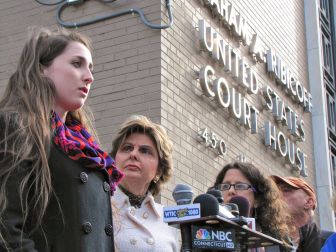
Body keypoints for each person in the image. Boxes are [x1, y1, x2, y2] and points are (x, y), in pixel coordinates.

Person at [0, 27, 123, 251]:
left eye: (91, 68)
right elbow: (7, 227)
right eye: (77, 64)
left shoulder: (85, 147)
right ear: (42, 69)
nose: (89, 77)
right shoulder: (16, 126)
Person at [110, 115, 178, 252]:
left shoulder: (169, 219)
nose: (133, 154)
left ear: (159, 170)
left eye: (145, 151)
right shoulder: (97, 206)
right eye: (127, 148)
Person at [211, 162, 293, 251]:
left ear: (257, 199)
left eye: (240, 186)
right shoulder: (205, 229)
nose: (231, 191)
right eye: (225, 186)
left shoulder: (277, 240)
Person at [270, 175, 330, 252]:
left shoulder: (330, 242)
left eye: (286, 190)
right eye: (276, 192)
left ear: (309, 202)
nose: (277, 195)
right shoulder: (265, 239)